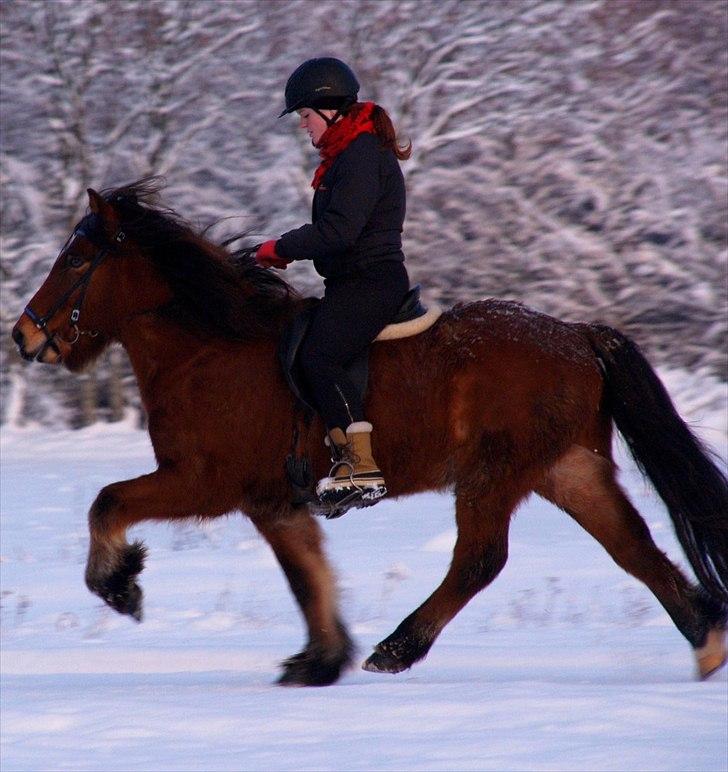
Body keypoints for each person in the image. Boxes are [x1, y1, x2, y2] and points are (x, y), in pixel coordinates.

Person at [255, 57, 412, 509]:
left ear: (330, 110)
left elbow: (339, 232)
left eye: (305, 116)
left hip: (372, 282)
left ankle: (360, 466)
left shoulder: (361, 155)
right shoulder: (349, 155)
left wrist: (279, 248)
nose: (304, 127)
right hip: (352, 283)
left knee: (320, 355)